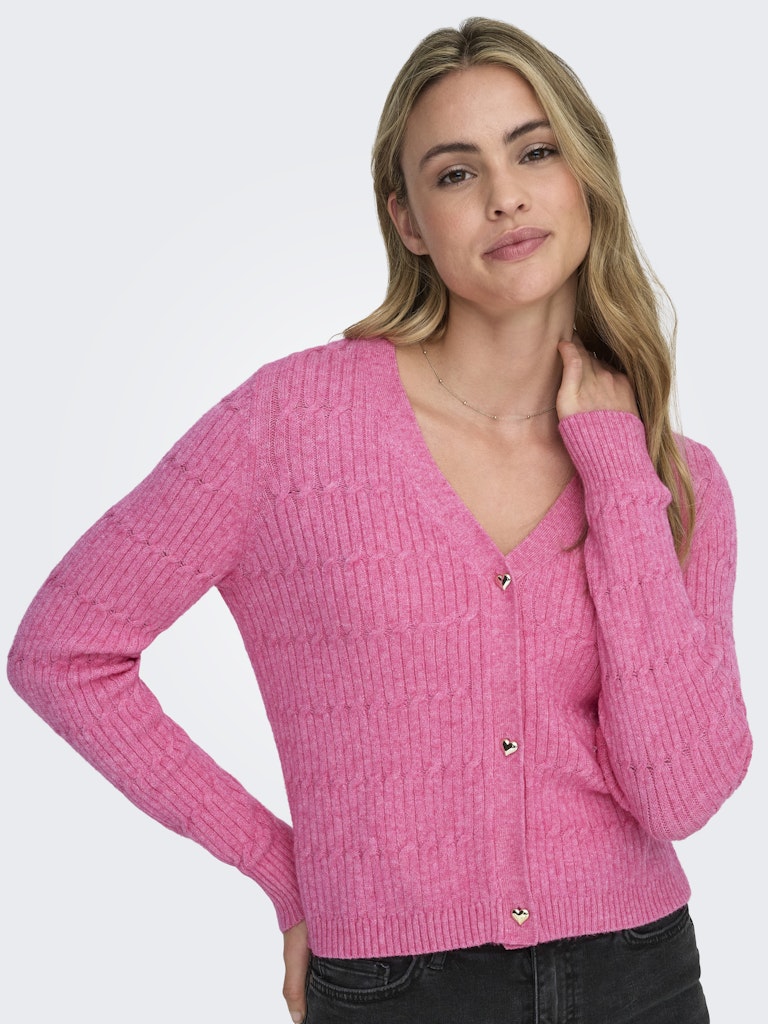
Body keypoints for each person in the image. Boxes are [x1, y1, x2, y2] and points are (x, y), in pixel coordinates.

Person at [7, 16, 751, 1024]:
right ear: (408, 220)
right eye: (457, 173)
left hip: (641, 976)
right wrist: (283, 867)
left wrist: (619, 475)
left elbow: (682, 795)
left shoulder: (674, 477)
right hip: (394, 990)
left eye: (535, 151)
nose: (505, 196)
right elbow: (63, 650)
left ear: (587, 175)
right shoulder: (291, 425)